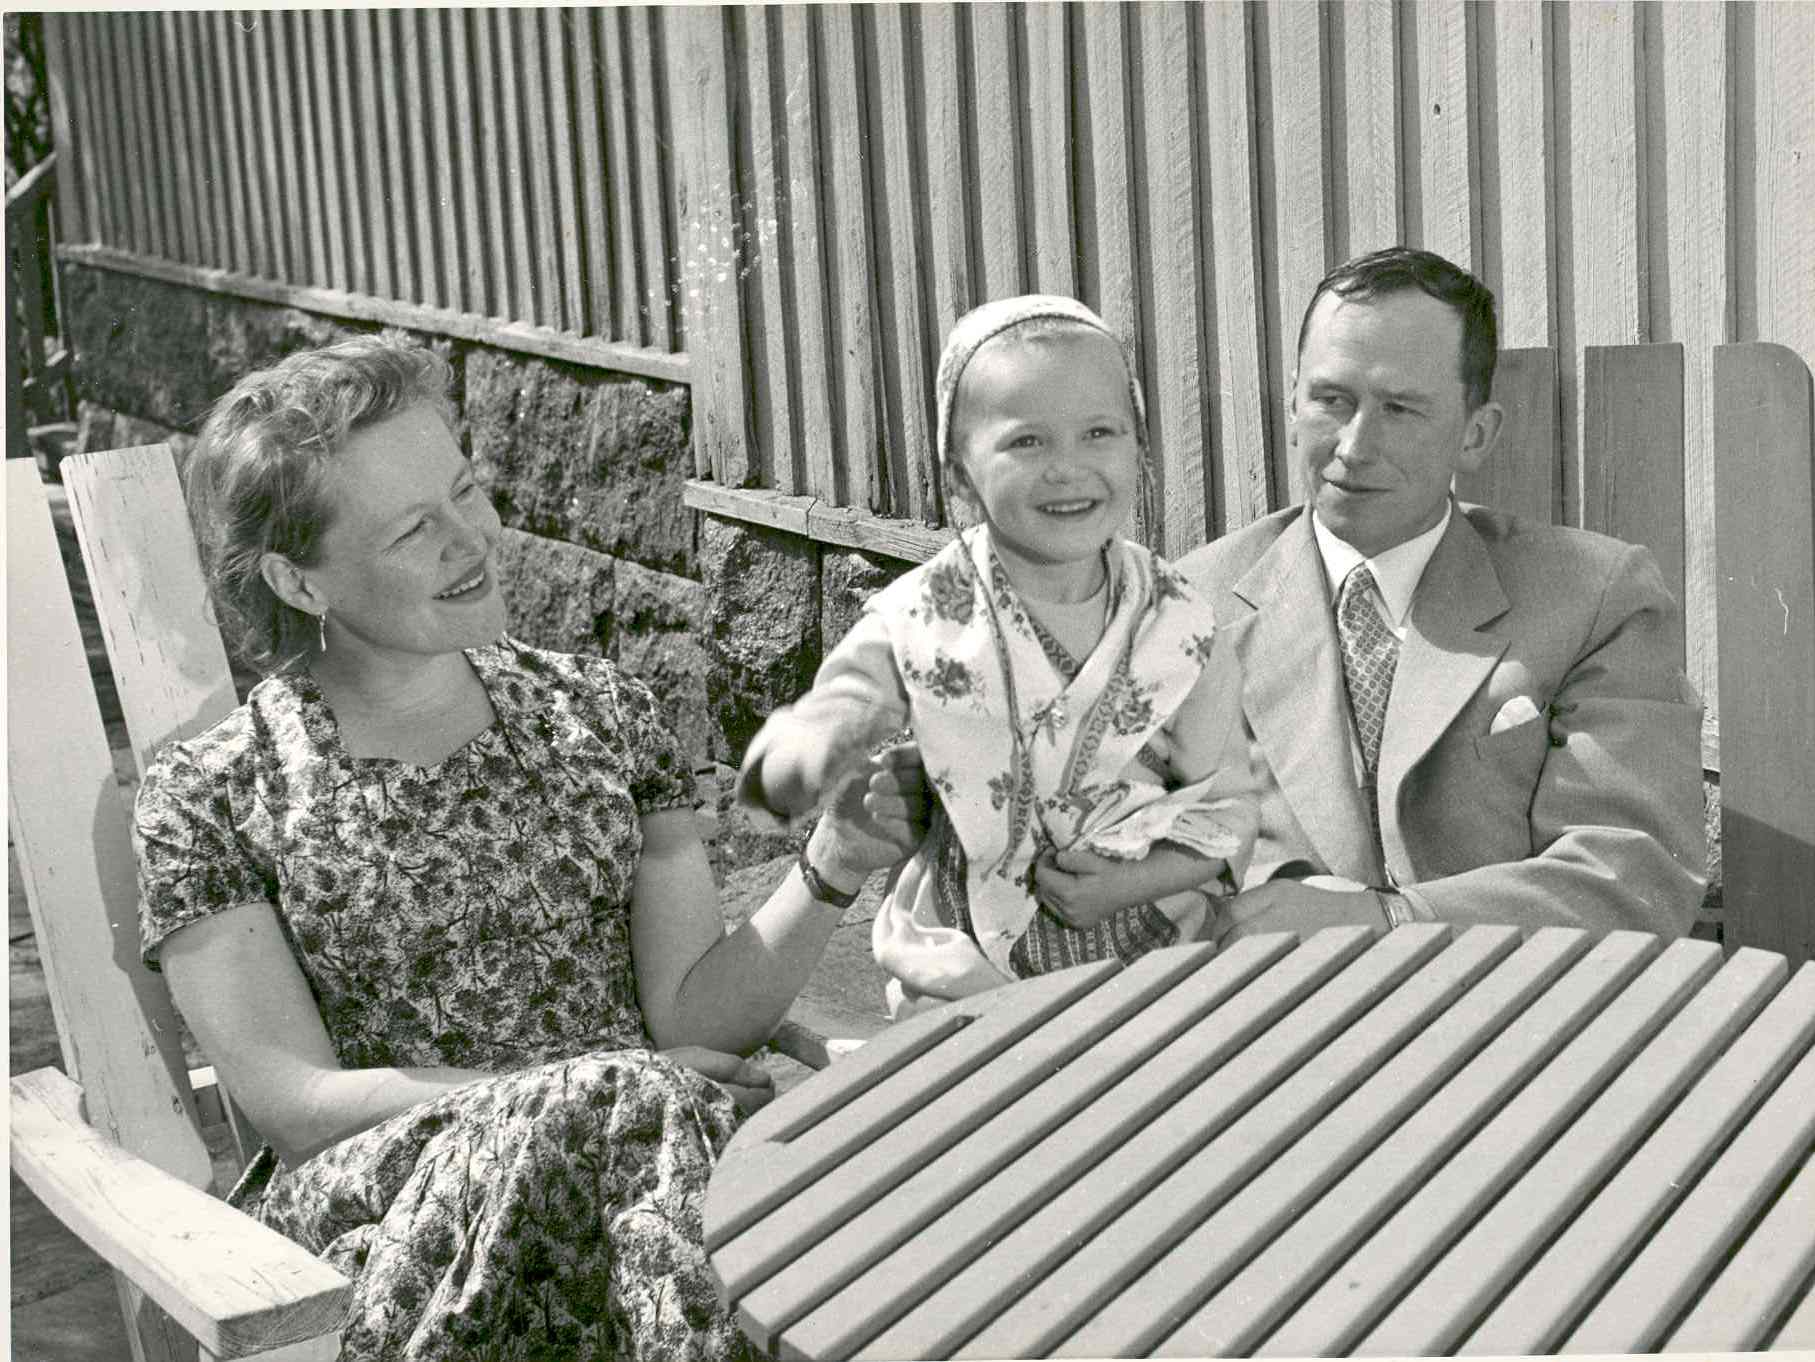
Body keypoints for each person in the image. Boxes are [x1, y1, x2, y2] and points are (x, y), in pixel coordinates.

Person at [131, 335, 926, 1362]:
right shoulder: (214, 795)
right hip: (402, 1227)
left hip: (652, 1190)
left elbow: (691, 1016)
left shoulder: (601, 714)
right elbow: (298, 1107)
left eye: (466, 491)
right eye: (415, 528)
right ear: (300, 581)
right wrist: (605, 1085)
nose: (473, 538)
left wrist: (834, 864)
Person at [738, 295, 1258, 1017]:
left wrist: (1128, 884)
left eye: (1099, 433)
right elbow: (855, 690)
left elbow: (1226, 811)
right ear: (959, 473)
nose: (1067, 468)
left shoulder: (1178, 621)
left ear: (1141, 448)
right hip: (965, 966)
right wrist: (813, 747)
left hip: (1153, 953)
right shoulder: (932, 611)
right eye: (1027, 442)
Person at [1172, 246, 1706, 942]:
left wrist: (1392, 917)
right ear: (1292, 407)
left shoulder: (1593, 596)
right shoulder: (1188, 609)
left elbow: (1631, 874)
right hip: (1260, 989)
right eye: (1331, 400)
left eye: (1400, 408)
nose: (1354, 446)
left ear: (1475, 435)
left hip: (1520, 992)